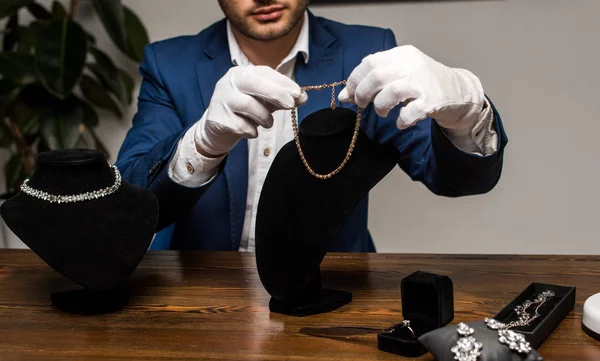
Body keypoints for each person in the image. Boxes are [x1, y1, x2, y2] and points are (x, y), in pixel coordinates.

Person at [116, 0, 507, 252]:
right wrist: (199, 145)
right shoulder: (168, 63)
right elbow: (129, 199)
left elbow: (454, 180)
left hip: (333, 300)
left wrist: (467, 114)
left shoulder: (366, 51)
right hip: (203, 307)